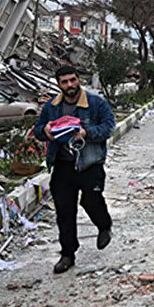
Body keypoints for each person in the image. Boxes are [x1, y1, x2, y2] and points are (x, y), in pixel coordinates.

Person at [34, 66, 115, 274]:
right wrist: (45, 131)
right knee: (64, 210)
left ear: (78, 80)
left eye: (72, 80)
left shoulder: (95, 103)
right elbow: (38, 130)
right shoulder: (52, 107)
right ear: (59, 84)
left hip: (89, 163)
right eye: (64, 82)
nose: (69, 85)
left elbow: (108, 127)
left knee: (91, 200)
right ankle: (67, 254)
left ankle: (104, 226)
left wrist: (86, 133)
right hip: (62, 165)